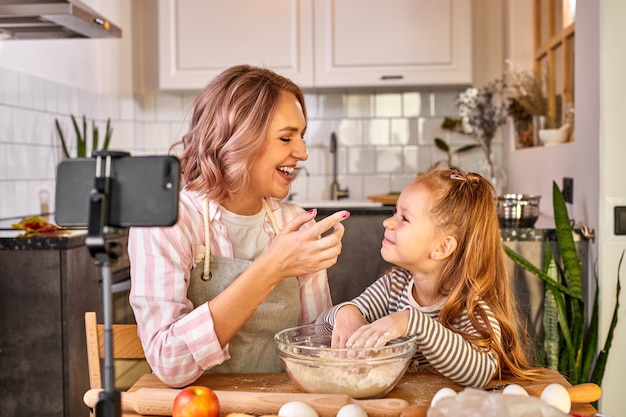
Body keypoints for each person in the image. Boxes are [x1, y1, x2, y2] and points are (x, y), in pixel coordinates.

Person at [128, 65, 350, 387]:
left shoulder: (295, 223)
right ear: (238, 137)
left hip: (280, 406)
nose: (301, 153)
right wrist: (271, 268)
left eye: (301, 137)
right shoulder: (167, 221)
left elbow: (315, 347)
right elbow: (170, 362)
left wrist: (345, 316)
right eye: (286, 137)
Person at [316, 168, 536, 387]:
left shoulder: (471, 305)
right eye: (394, 212)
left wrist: (412, 322)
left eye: (404, 218)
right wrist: (346, 313)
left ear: (442, 247)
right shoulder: (395, 286)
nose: (388, 222)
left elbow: (480, 371)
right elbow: (320, 328)